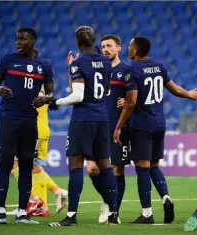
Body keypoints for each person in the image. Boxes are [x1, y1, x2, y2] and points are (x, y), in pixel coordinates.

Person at [113, 36, 197, 224]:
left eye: (129, 46)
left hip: (142, 126)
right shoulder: (159, 66)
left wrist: (119, 126)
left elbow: (132, 102)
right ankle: (166, 198)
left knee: (142, 168)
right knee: (154, 166)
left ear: (135, 51)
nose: (128, 49)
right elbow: (175, 89)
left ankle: (147, 214)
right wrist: (189, 94)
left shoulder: (132, 71)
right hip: (159, 124)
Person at [47, 26, 118, 226]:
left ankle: (71, 216)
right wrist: (73, 68)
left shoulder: (79, 63)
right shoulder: (105, 62)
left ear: (78, 42)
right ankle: (114, 214)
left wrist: (56, 102)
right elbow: (104, 90)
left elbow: (77, 95)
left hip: (83, 119)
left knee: (76, 165)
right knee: (105, 165)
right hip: (102, 118)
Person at [0, 28, 54, 224]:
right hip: (8, 119)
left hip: (29, 121)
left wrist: (45, 99)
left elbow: (51, 94)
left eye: (23, 39)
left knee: (26, 166)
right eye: (17, 38)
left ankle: (21, 214)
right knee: (6, 163)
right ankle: (1, 211)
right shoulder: (8, 60)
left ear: (32, 41)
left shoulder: (44, 65)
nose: (18, 42)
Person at [85, 35, 130, 223]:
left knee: (117, 169)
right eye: (103, 46)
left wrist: (128, 101)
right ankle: (107, 201)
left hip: (118, 127)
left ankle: (114, 212)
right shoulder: (96, 70)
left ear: (118, 48)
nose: (105, 49)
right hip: (96, 126)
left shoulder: (127, 70)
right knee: (93, 169)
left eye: (109, 46)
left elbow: (138, 96)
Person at [9, 85, 68, 217]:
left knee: (15, 165)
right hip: (42, 129)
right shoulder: (43, 88)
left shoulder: (33, 88)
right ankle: (56, 194)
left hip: (34, 131)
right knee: (36, 168)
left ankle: (34, 200)